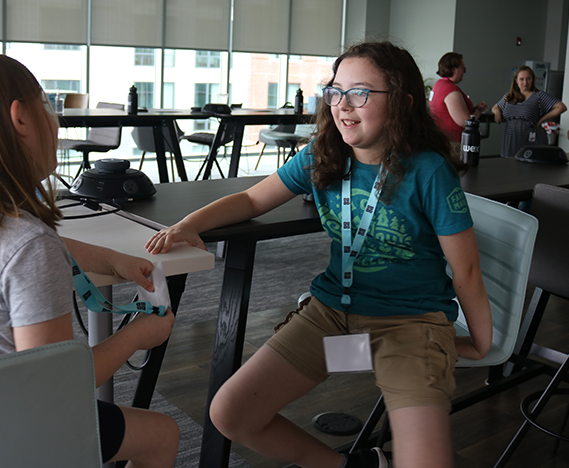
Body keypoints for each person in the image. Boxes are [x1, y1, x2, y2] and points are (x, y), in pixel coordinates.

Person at [146, 41, 492, 468]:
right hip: (335, 321)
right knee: (232, 412)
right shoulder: (322, 155)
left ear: (402, 103)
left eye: (360, 92)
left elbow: (467, 269)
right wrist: (188, 224)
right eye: (335, 91)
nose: (343, 105)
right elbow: (253, 200)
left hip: (408, 329)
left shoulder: (428, 171)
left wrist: (481, 340)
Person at [0, 54, 179, 468]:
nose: (54, 120)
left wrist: (113, 259)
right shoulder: (28, 247)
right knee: (162, 435)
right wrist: (138, 335)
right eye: (46, 104)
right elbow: (53, 386)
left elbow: (23, 252)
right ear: (20, 118)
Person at [492, 65, 567, 158]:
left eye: (528, 79)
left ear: (533, 80)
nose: (525, 82)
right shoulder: (509, 97)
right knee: (509, 165)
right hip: (510, 137)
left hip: (529, 137)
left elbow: (561, 107)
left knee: (528, 164)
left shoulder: (539, 96)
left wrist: (542, 119)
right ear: (516, 81)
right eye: (521, 79)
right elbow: (495, 107)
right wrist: (497, 112)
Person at [430, 52, 487, 144]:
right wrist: (478, 112)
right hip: (452, 143)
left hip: (441, 140)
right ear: (454, 70)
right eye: (463, 68)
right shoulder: (450, 89)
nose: (464, 72)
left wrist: (476, 108)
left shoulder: (438, 85)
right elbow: (466, 122)